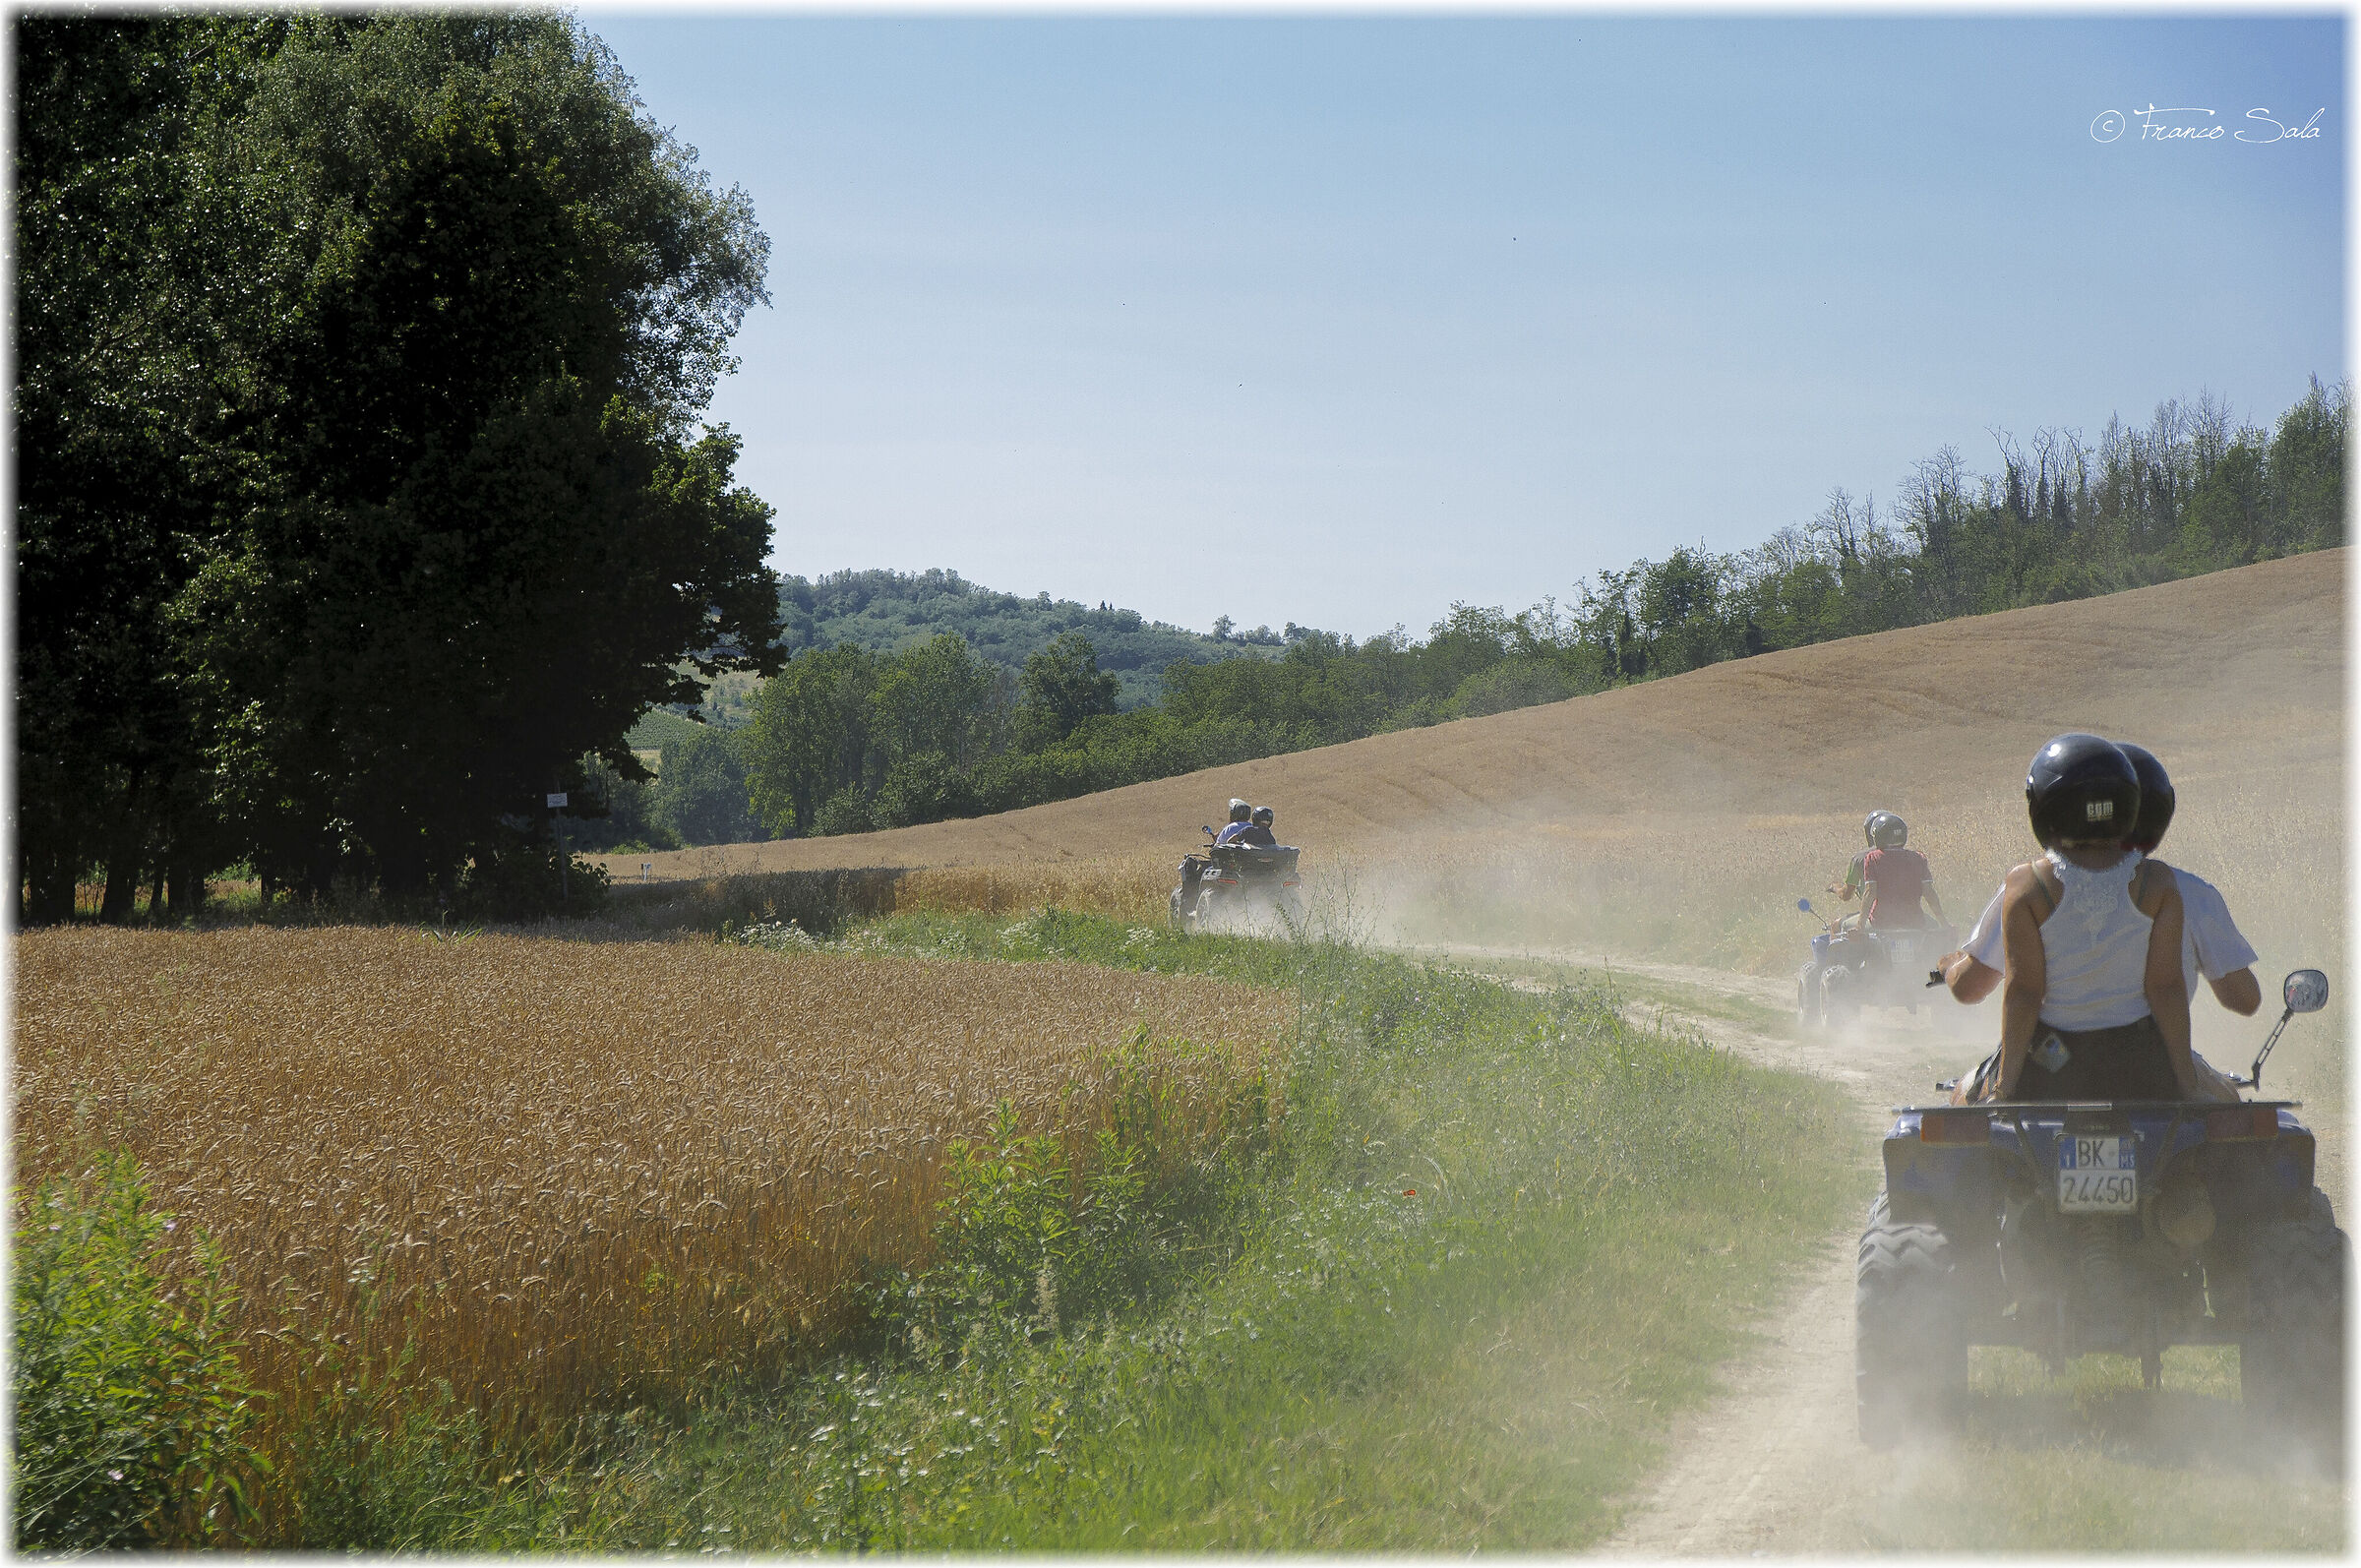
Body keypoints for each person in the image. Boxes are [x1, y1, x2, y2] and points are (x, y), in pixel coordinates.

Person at [1950, 733, 2200, 1104]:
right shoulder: (2158, 882)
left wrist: (2003, 1089)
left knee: (1962, 1094)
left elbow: (2024, 992)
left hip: (2053, 1061)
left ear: (2046, 807)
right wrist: (2187, 1084)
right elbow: (2165, 988)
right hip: (2137, 1063)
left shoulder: (2027, 885)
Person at [1940, 742, 2261, 1017]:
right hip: (2154, 1062)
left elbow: (1971, 988)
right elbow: (2244, 1000)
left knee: (1968, 1090)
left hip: (2049, 1061)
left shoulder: (2032, 886)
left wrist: (1950, 967)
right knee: (2224, 1091)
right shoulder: (2192, 893)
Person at [1838, 812, 1946, 931]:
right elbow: (1929, 893)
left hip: (1881, 922)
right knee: (1934, 929)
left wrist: (1860, 926)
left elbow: (1870, 893)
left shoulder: (1873, 858)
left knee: (1843, 926)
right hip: (1914, 921)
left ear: (1877, 836)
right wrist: (1944, 924)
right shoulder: (1918, 858)